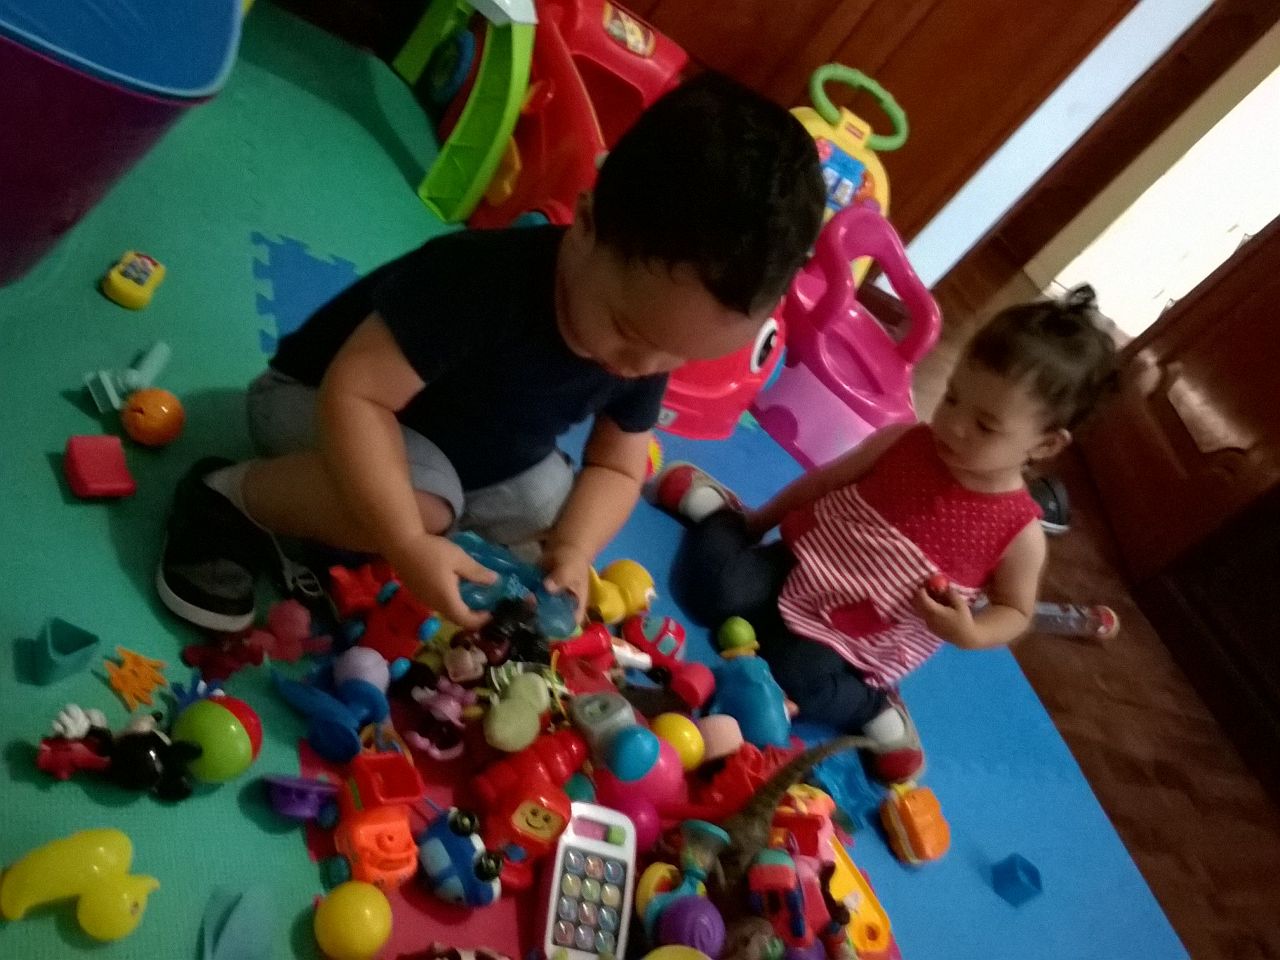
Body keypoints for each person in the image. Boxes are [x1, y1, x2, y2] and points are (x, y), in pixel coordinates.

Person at [156, 72, 826, 635]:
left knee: (548, 503)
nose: (640, 367)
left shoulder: (650, 336)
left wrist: (573, 550)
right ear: (584, 225)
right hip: (320, 403)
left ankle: (368, 522)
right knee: (426, 506)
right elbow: (355, 394)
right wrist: (407, 541)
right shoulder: (478, 281)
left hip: (455, 452)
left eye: (675, 358)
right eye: (627, 331)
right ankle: (230, 498)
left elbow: (619, 466)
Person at [653, 286, 1117, 782]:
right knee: (712, 591)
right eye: (952, 397)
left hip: (853, 640)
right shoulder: (905, 443)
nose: (954, 425)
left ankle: (874, 706)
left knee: (793, 677)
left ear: (1045, 444)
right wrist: (756, 523)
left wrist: (971, 632)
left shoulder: (1019, 534)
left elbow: (1016, 610)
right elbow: (824, 482)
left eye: (985, 426)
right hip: (798, 565)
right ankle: (723, 514)